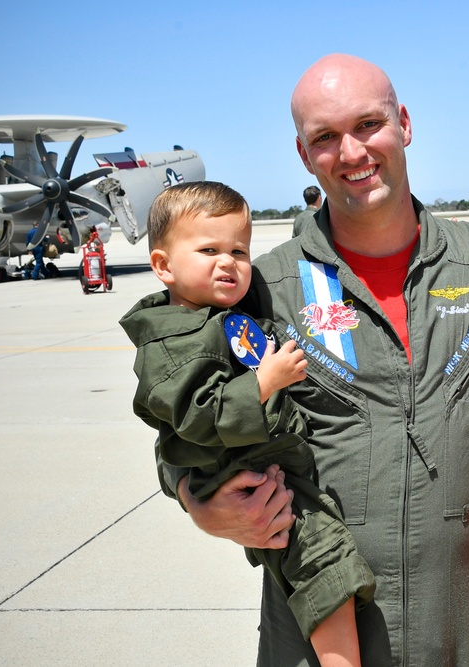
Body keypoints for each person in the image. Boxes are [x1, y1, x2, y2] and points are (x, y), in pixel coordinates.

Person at [159, 55, 469, 665]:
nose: (351, 153)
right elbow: (185, 410)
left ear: (403, 123)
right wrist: (196, 498)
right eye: (325, 137)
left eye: (369, 125)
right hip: (322, 632)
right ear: (304, 155)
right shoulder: (264, 288)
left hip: (465, 625)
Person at [120, 181, 376, 667]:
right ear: (162, 266)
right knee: (324, 565)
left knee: (324, 567)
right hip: (254, 476)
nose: (229, 262)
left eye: (240, 250)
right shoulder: (173, 340)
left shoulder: (216, 315)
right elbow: (197, 415)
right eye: (209, 249)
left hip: (266, 463)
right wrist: (264, 382)